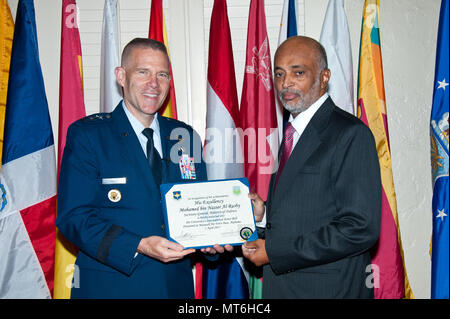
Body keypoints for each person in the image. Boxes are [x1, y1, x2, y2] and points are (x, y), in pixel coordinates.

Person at [57, 38, 227, 298]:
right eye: (143, 72)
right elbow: (74, 218)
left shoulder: (184, 136)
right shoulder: (89, 135)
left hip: (174, 288)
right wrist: (139, 245)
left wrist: (210, 241)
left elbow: (199, 209)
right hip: (113, 288)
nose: (154, 84)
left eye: (162, 74)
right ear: (121, 76)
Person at [242, 36, 382, 298]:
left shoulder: (350, 134)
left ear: (324, 76)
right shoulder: (293, 132)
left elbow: (360, 227)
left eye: (299, 72)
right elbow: (310, 210)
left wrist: (274, 252)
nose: (286, 83)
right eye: (280, 73)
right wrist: (263, 216)